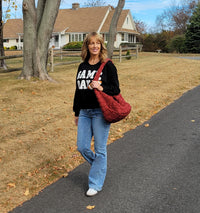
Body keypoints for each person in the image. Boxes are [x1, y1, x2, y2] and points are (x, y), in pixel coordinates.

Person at [73, 32, 120, 196]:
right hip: (85, 112)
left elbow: (116, 90)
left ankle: (95, 183)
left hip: (100, 112)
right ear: (87, 46)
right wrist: (76, 112)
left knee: (100, 150)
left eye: (97, 43)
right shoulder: (82, 66)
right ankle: (99, 167)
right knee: (82, 146)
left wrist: (100, 87)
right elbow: (78, 91)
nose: (94, 46)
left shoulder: (107, 65)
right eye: (91, 43)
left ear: (101, 45)